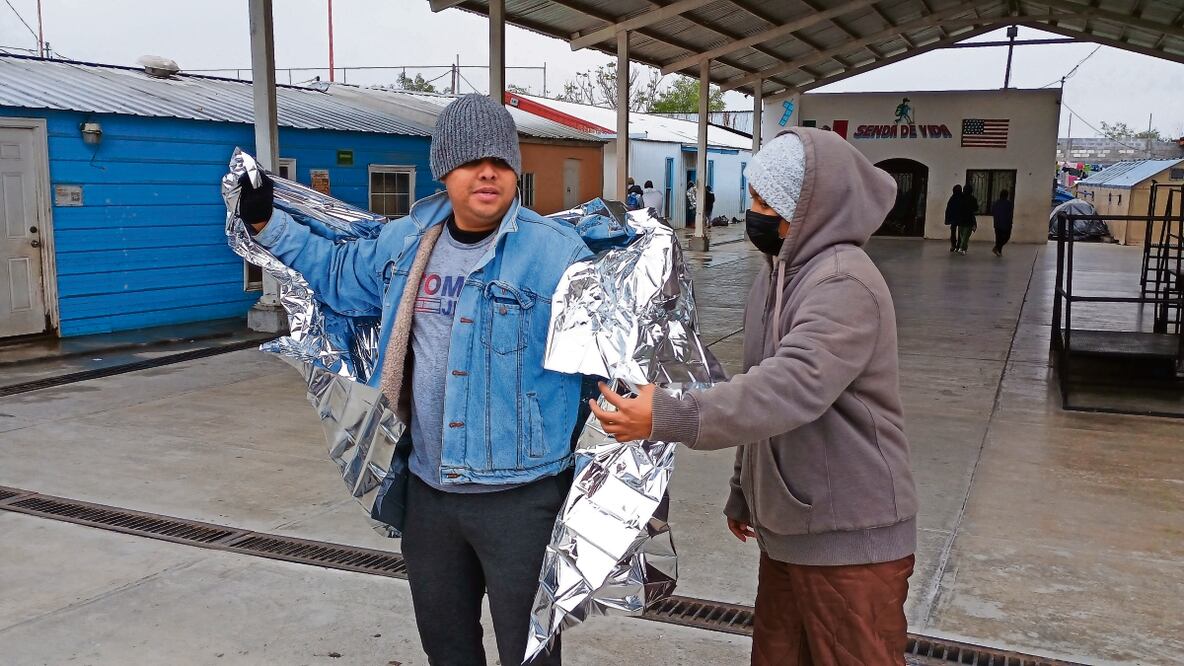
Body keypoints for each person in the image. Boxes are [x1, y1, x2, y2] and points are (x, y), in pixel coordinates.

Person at [236, 94, 591, 666]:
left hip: (520, 499)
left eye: (500, 162)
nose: (488, 173)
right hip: (429, 496)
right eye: (472, 161)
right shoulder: (407, 244)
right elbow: (334, 273)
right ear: (444, 170)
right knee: (447, 648)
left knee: (529, 655)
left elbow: (603, 368)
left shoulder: (556, 255)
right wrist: (265, 222)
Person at [586, 129, 917, 665]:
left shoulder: (843, 283)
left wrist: (671, 414)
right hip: (790, 527)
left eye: (768, 202)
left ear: (808, 209)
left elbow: (788, 387)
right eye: (754, 196)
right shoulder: (777, 272)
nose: (754, 213)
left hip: (848, 535)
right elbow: (756, 381)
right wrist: (746, 488)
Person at [955, 185, 979, 255]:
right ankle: (962, 248)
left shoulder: (960, 198)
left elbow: (957, 208)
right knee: (966, 235)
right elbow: (976, 208)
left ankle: (962, 248)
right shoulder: (973, 199)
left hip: (960, 219)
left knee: (962, 235)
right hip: (969, 219)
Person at [991, 189, 1014, 256]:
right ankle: (997, 249)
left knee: (998, 238)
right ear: (1007, 195)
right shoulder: (1009, 204)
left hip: (997, 224)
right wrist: (1010, 223)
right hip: (1006, 224)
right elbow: (1010, 214)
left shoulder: (996, 203)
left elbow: (993, 212)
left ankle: (998, 250)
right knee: (1006, 237)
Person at [944, 184, 963, 253]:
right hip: (961, 218)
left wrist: (948, 219)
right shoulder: (962, 198)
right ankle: (958, 246)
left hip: (954, 219)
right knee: (960, 233)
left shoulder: (952, 198)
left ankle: (953, 246)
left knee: (953, 232)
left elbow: (948, 209)